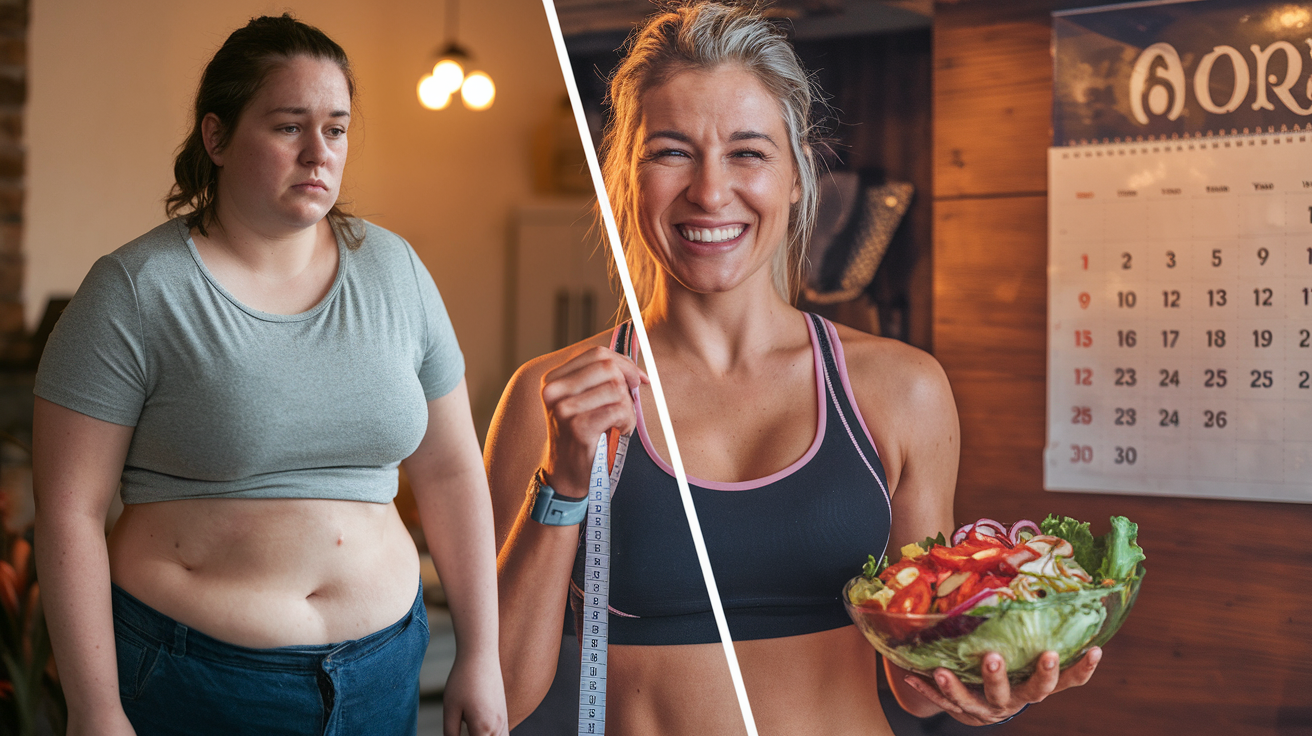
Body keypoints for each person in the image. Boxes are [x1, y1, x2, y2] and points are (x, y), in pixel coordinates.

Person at [488, 3, 1101, 734]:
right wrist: (560, 485)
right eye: (672, 151)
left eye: (748, 152)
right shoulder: (551, 401)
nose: (711, 193)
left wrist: (983, 678)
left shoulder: (900, 391)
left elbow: (914, 678)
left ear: (799, 175)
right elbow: (497, 698)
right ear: (625, 171)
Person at [32, 15, 506, 736]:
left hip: (383, 672)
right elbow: (69, 511)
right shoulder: (134, 290)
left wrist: (482, 652)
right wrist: (94, 707)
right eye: (290, 127)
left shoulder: (398, 271)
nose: (320, 152)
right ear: (216, 138)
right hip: (194, 678)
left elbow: (450, 472)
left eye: (337, 129)